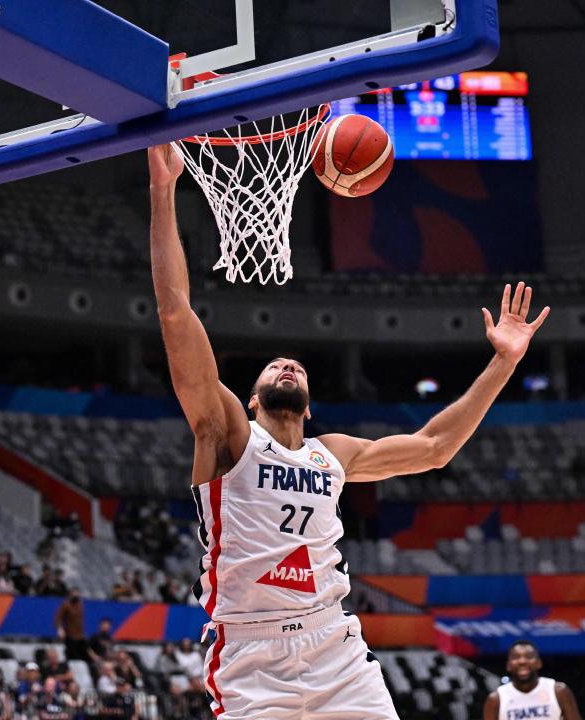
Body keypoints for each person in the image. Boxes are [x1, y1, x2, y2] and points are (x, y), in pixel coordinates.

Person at [147, 144, 551, 719]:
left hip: (335, 648)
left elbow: (435, 449)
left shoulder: (331, 455)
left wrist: (503, 364)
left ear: (309, 407)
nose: (288, 367)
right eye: (274, 368)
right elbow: (174, 312)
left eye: (299, 368)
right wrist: (164, 195)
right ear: (253, 397)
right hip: (250, 654)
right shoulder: (228, 434)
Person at [483, 641, 583, 720]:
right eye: (516, 657)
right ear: (508, 665)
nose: (522, 661)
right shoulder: (496, 699)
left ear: (539, 663)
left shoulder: (558, 691)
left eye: (529, 656)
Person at [55, 588, 87, 661]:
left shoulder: (80, 605)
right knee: (72, 656)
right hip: (70, 635)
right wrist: (60, 629)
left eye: (77, 593)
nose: (76, 595)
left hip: (80, 635)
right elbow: (58, 618)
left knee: (82, 656)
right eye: (74, 594)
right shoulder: (66, 605)